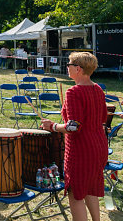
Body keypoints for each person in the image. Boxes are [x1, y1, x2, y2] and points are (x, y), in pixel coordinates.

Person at [41, 52, 107, 221]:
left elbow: (73, 127)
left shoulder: (73, 92)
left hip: (81, 151)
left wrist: (53, 126)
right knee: (89, 188)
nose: (67, 67)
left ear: (78, 69)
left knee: (76, 194)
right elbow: (102, 119)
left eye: (69, 64)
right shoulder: (98, 89)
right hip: (99, 147)